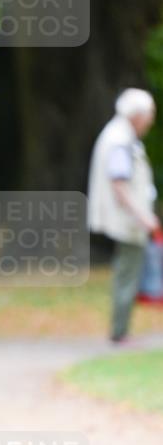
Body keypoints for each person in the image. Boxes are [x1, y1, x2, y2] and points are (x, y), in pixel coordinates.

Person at [87, 88, 160, 343]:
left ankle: (121, 330)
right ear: (137, 115)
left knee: (126, 271)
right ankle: (120, 333)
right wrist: (144, 216)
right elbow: (119, 183)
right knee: (127, 273)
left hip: (128, 219)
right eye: (150, 113)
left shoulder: (119, 134)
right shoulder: (120, 139)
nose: (152, 119)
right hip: (127, 221)